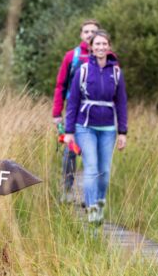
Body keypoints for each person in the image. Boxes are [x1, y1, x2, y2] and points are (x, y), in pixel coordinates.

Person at [64, 30, 127, 224]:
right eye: (97, 44)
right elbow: (73, 101)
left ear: (109, 47)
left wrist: (122, 132)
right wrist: (69, 132)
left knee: (104, 171)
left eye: (104, 44)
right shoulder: (83, 70)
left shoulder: (115, 72)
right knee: (91, 167)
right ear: (91, 47)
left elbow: (121, 103)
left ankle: (99, 203)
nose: (100, 47)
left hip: (108, 129)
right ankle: (91, 209)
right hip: (85, 127)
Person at [52, 19, 100, 203]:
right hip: (75, 112)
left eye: (93, 31)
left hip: (98, 114)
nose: (89, 34)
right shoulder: (72, 56)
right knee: (71, 151)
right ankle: (66, 190)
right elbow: (60, 86)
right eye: (86, 31)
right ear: (81, 35)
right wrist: (57, 114)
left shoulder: (106, 57)